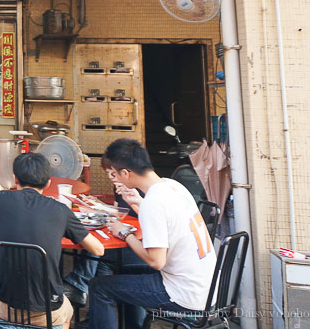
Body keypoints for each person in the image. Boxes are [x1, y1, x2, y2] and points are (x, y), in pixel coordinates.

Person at [89, 139, 217, 329]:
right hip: (206, 288)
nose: (114, 180)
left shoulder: (154, 201)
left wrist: (125, 234)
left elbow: (156, 261)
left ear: (126, 173)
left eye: (114, 174)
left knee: (99, 286)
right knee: (125, 272)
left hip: (184, 296)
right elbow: (167, 224)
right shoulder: (173, 186)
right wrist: (137, 202)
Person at [0, 152, 104, 329]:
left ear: (15, 178)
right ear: (48, 182)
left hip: (4, 307)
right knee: (67, 312)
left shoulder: (1, 198)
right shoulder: (61, 210)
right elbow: (98, 250)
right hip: (46, 311)